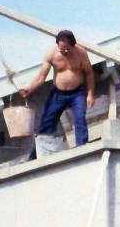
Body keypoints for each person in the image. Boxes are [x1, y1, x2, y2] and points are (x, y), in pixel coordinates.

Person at [21, 29, 96, 158]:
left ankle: (82, 150)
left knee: (80, 119)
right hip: (58, 94)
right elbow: (41, 77)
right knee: (46, 123)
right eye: (61, 50)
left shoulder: (81, 53)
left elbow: (89, 73)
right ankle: (33, 156)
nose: (64, 52)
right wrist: (29, 89)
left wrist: (90, 94)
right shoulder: (51, 54)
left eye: (66, 49)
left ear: (72, 45)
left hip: (77, 93)